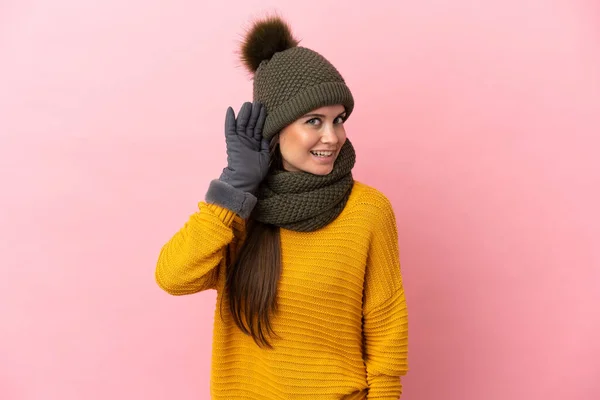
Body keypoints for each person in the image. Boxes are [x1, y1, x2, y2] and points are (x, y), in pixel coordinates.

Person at [155, 15, 409, 400]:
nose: (333, 136)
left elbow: (385, 326)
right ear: (276, 128)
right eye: (314, 121)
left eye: (338, 120)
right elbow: (174, 277)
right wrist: (235, 187)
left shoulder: (368, 210)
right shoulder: (239, 212)